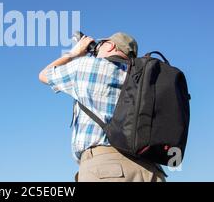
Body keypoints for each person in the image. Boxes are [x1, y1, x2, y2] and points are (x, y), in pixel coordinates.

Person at [39, 32, 166, 182]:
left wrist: (74, 53)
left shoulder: (86, 65)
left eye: (101, 44)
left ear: (111, 45)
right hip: (152, 171)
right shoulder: (147, 79)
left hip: (107, 169)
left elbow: (44, 75)